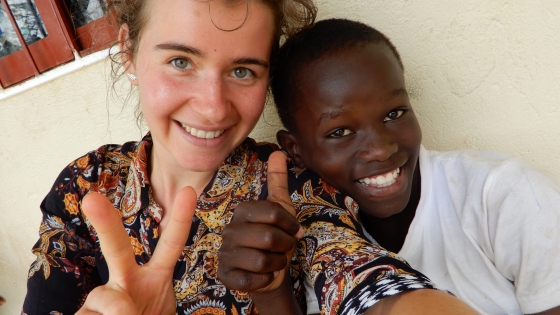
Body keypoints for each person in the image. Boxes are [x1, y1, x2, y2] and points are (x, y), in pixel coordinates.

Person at [22, 0, 479, 314]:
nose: (213, 107)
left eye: (243, 71)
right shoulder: (87, 185)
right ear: (128, 51)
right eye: (181, 61)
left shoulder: (291, 188)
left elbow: (357, 273)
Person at [269, 18, 560, 315]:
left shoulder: (501, 195)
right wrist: (273, 293)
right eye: (341, 132)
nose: (381, 149)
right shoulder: (322, 246)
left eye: (394, 113)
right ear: (295, 149)